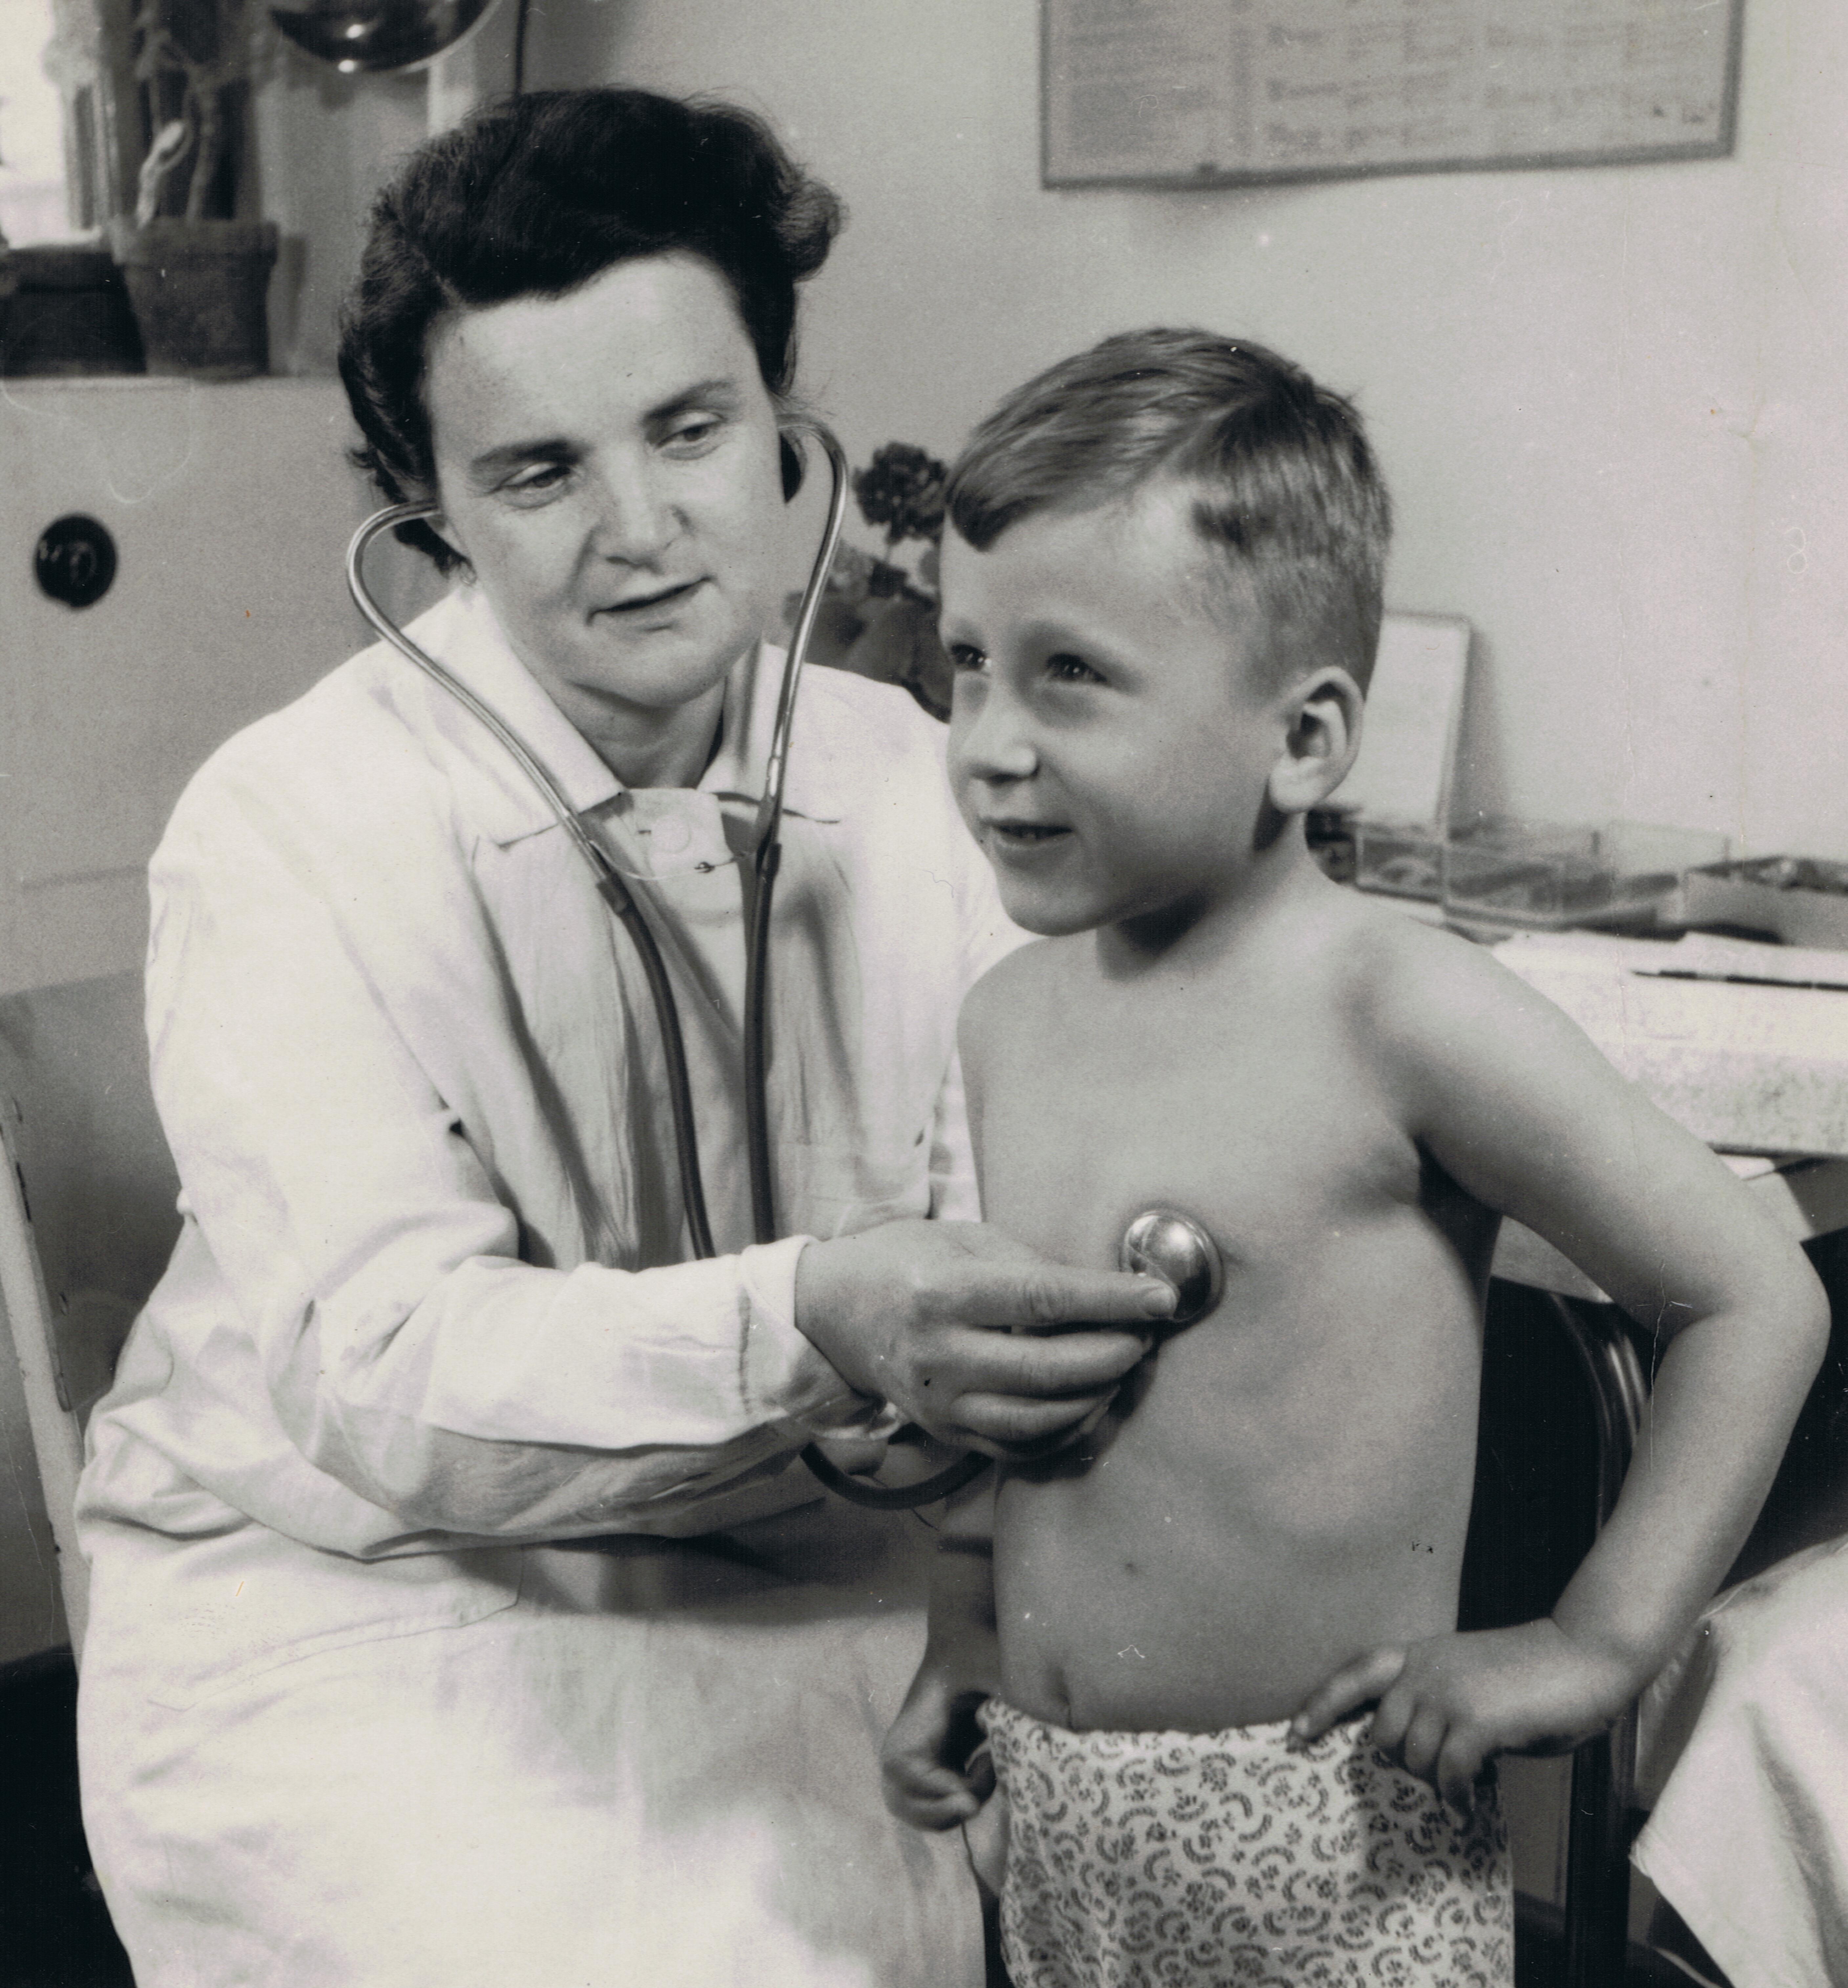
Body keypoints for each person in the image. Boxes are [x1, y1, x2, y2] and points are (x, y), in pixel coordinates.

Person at [73, 91, 1177, 1988]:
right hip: (375, 1595)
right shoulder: (290, 827)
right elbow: (391, 1381)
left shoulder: (921, 786)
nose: (641, 531)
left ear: (780, 422)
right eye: (538, 473)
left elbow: (1030, 1209)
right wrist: (815, 1312)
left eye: (689, 430)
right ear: (430, 508)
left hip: (838, 1573)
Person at [878, 329, 1831, 1988]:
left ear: (1305, 738)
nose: (987, 739)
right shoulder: (1006, 1015)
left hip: (1330, 1841)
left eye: (1068, 674)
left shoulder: (1397, 1005)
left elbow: (1752, 1296)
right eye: (968, 663)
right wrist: (966, 1627)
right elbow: (1025, 1405)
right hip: (1063, 1825)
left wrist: (1595, 1637)